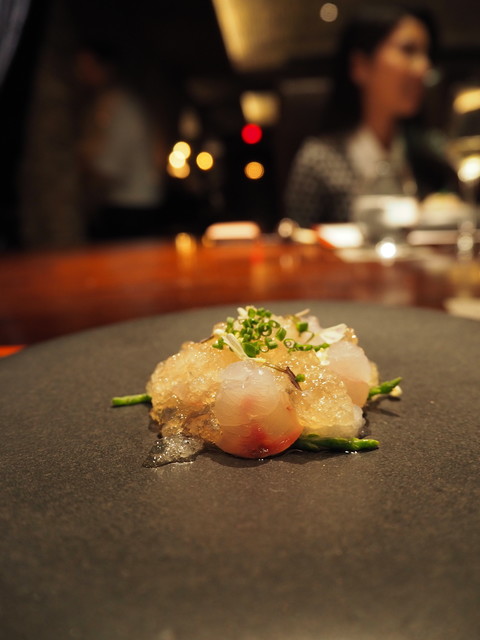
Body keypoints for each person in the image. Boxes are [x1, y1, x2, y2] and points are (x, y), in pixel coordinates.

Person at [285, 3, 458, 227]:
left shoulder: (432, 154)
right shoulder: (319, 162)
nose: (424, 67)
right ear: (360, 66)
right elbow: (296, 242)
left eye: (426, 54)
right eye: (408, 50)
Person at [75, 43, 164, 239]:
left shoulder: (120, 105)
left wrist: (82, 168)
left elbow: (110, 166)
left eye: (87, 66)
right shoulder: (105, 103)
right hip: (124, 202)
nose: (80, 74)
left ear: (105, 67)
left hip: (132, 205)